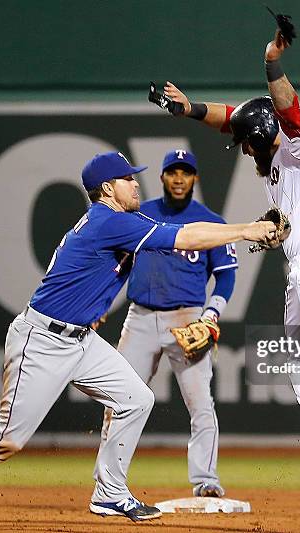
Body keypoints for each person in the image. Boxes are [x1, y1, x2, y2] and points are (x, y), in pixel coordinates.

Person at [0, 151, 277, 532]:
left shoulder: (125, 219)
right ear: (108, 189)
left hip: (81, 340)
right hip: (42, 340)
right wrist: (248, 230)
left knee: (136, 399)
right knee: (9, 438)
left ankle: (109, 491)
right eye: (128, 179)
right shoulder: (109, 221)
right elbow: (185, 236)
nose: (136, 182)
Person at [160, 25, 300, 479]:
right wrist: (191, 110)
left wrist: (271, 64)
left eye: (244, 143)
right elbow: (238, 117)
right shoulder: (284, 152)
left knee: (299, 355)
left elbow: (287, 108)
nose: (241, 148)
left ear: (258, 139)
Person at [100, 149, 236, 498]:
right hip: (140, 317)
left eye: (185, 173)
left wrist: (211, 315)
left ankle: (206, 480)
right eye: (172, 172)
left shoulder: (211, 222)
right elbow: (118, 266)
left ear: (194, 178)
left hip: (187, 317)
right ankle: (109, 484)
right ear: (161, 177)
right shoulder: (140, 215)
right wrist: (101, 304)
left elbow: (225, 277)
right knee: (119, 400)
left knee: (200, 403)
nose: (178, 179)